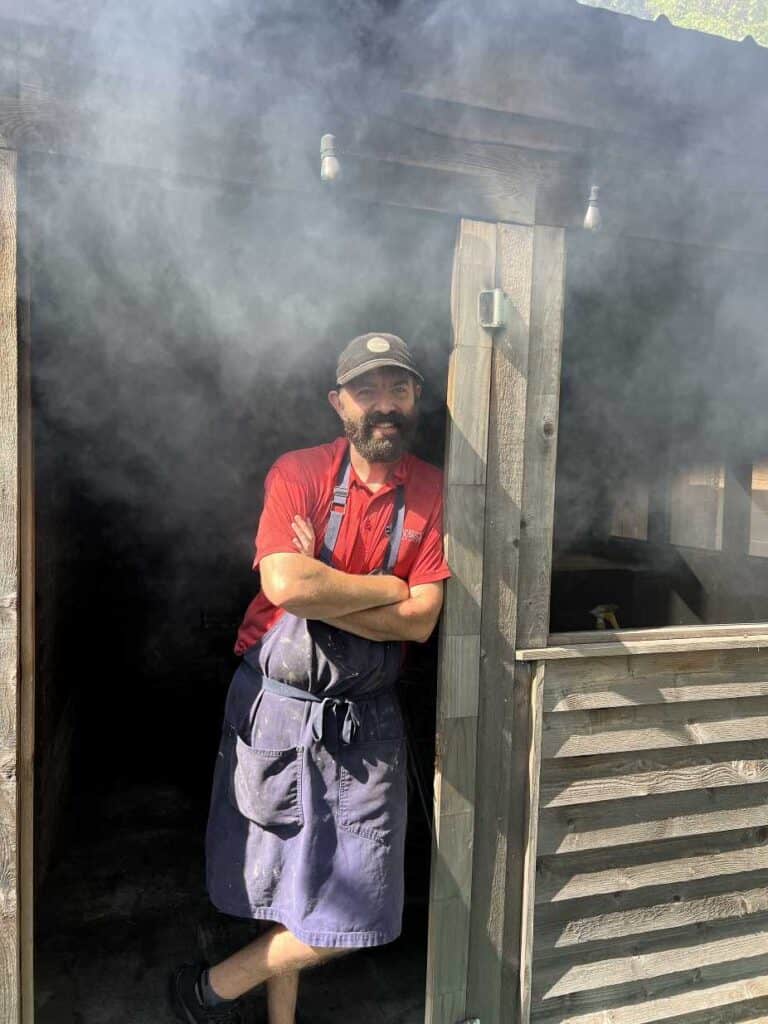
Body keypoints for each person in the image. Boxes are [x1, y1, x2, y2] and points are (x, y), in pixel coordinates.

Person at [171, 333, 450, 1024]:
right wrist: (387, 585)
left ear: (417, 398)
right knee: (283, 889)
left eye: (399, 389)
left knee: (358, 907)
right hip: (277, 711)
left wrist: (330, 584)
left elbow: (420, 622)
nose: (384, 405)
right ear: (339, 404)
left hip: (366, 723)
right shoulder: (298, 471)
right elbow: (285, 585)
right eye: (367, 391)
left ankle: (210, 990)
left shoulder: (437, 491)